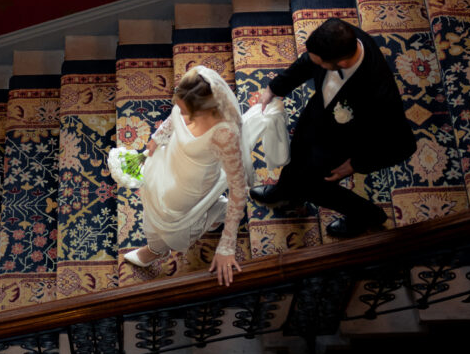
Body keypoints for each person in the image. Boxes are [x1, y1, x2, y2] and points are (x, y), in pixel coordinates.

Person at [250, 17, 416, 238]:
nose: (314, 63)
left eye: (320, 63)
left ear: (343, 63)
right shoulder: (340, 35)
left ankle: (366, 215)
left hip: (342, 143)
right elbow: (307, 62)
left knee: (316, 188)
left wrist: (357, 164)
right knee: (297, 153)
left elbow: (403, 144)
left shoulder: (379, 92)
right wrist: (275, 87)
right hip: (317, 115)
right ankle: (286, 191)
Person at [124, 65, 288, 285]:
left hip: (194, 182)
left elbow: (239, 188)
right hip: (172, 159)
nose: (181, 114)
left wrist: (226, 245)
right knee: (154, 198)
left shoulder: (224, 134)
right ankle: (213, 211)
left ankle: (157, 249)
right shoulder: (188, 102)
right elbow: (174, 119)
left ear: (205, 110)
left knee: (171, 217)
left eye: (186, 112)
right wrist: (157, 137)